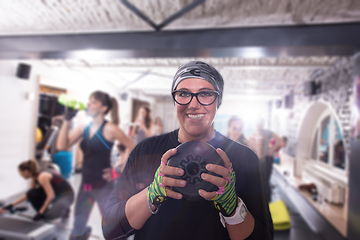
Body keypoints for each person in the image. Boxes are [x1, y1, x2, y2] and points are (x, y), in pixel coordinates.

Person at [102, 61, 273, 240]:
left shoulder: (245, 158)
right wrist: (151, 193)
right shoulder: (146, 150)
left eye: (205, 94)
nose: (193, 104)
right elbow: (111, 228)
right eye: (183, 93)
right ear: (174, 100)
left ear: (218, 101)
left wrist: (233, 207)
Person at [56, 91, 135, 240]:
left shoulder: (110, 128)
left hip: (104, 186)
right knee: (77, 227)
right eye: (89, 101)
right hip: (85, 185)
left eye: (93, 102)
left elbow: (132, 146)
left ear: (103, 108)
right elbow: (62, 146)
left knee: (113, 229)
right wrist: (67, 120)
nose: (88, 105)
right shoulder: (83, 127)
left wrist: (118, 170)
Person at [0, 159, 74, 221]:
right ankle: (46, 212)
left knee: (50, 216)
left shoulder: (42, 177)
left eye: (20, 173)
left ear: (26, 172)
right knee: (32, 193)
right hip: (56, 195)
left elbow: (51, 196)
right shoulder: (35, 177)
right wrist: (10, 206)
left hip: (66, 195)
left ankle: (64, 210)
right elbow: (28, 194)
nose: (21, 175)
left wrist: (40, 213)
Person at [248, 117, 284, 202]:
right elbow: (248, 144)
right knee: (258, 182)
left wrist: (271, 150)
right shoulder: (253, 133)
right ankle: (260, 203)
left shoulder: (267, 132)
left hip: (266, 160)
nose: (258, 125)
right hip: (257, 160)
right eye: (257, 123)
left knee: (265, 182)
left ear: (262, 124)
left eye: (260, 123)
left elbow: (280, 141)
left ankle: (267, 203)